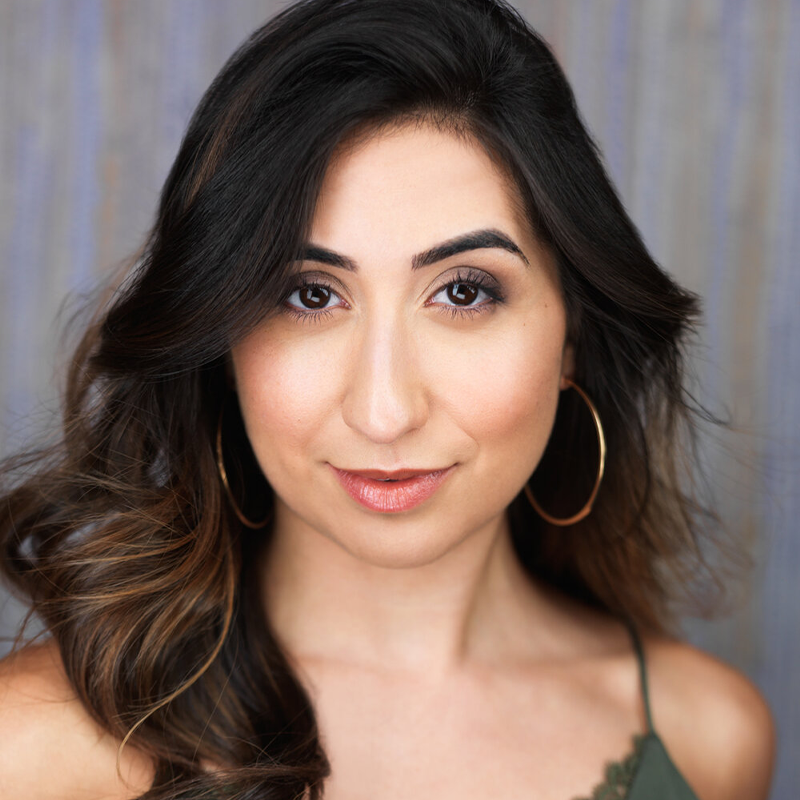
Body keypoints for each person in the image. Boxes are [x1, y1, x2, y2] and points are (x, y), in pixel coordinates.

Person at [0, 0, 776, 798]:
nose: (384, 411)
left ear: (572, 333)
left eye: (465, 292)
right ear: (220, 341)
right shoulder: (36, 748)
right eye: (307, 295)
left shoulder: (708, 737)